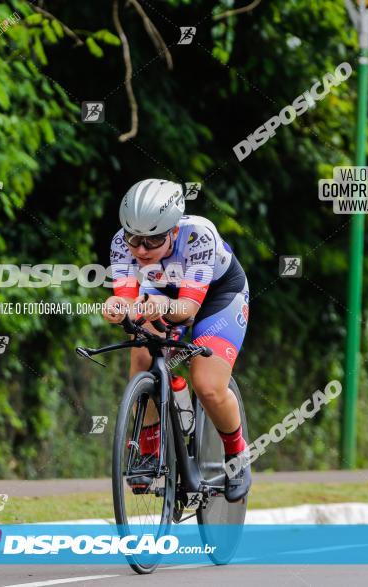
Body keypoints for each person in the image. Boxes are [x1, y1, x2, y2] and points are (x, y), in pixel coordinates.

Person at [102, 178, 251, 502]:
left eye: (152, 240)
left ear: (172, 232)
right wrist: (117, 308)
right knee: (142, 354)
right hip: (161, 294)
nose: (140, 249)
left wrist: (163, 308)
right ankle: (150, 442)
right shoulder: (121, 242)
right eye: (134, 238)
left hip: (216, 297)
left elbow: (188, 308)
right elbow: (127, 299)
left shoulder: (198, 235)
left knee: (208, 384)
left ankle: (237, 453)